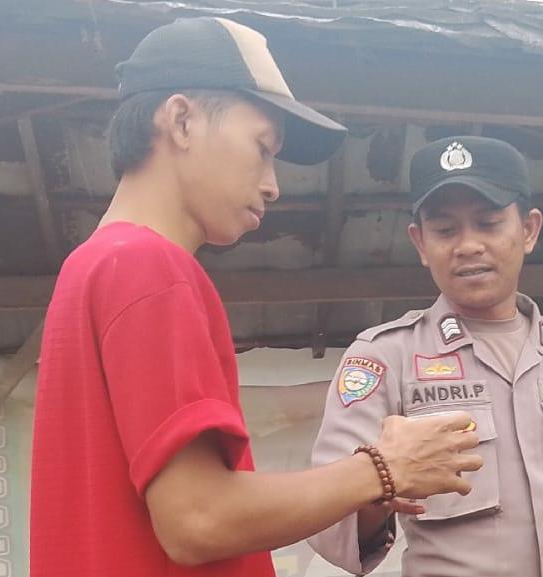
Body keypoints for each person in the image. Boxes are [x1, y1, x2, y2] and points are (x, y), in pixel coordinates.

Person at [30, 18, 481, 577]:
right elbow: (198, 520)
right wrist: (384, 468)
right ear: (181, 121)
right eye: (263, 149)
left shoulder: (94, 266)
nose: (273, 184)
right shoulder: (151, 268)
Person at [307, 136, 543, 577]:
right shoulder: (386, 357)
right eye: (445, 230)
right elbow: (325, 521)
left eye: (488, 223)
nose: (468, 245)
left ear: (529, 230)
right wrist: (379, 484)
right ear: (420, 243)